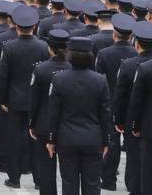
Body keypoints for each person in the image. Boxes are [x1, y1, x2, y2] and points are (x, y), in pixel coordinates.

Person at [47, 37, 110, 195]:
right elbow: (105, 113)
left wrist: (51, 139)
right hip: (93, 138)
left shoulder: (59, 79)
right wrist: (106, 140)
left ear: (70, 55)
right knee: (92, 184)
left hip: (67, 138)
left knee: (69, 184)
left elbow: (54, 113)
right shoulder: (100, 80)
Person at [0, 5, 49, 189]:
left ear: (16, 26)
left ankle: (14, 178)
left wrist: (2, 99)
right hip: (36, 100)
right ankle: (38, 180)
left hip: (14, 100)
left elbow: (4, 77)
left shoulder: (9, 47)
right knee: (36, 140)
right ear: (34, 27)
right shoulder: (43, 47)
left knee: (14, 140)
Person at [113, 21, 152, 195]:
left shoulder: (129, 65)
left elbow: (122, 96)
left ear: (136, 42)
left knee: (133, 160)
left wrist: (119, 120)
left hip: (135, 121)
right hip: (151, 121)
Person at [94, 13, 136, 190]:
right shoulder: (135, 53)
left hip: (109, 102)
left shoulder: (104, 54)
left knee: (111, 142)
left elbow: (99, 80)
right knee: (132, 145)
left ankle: (109, 179)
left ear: (114, 35)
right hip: (131, 104)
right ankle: (131, 181)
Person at [29, 29, 72, 195]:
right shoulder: (71, 68)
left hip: (44, 123)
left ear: (49, 48)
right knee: (68, 169)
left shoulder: (40, 69)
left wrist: (31, 123)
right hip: (66, 124)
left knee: (46, 168)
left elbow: (35, 100)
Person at [129, 21, 152, 195]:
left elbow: (137, 101)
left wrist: (134, 125)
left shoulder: (146, 68)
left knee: (149, 174)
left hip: (149, 127)